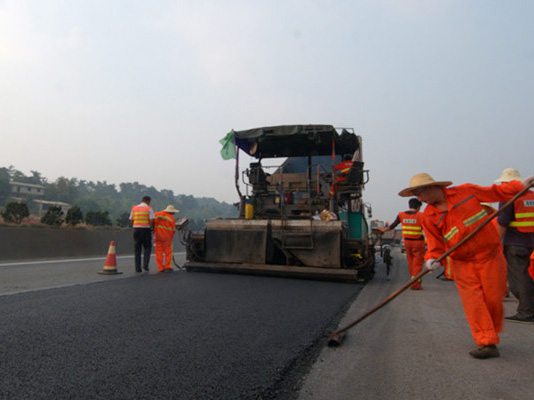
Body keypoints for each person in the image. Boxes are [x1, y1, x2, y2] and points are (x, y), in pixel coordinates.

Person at [399, 172, 534, 359]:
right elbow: (435, 244)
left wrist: (520, 185)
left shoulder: (466, 191)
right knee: (474, 303)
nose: (418, 198)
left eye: (418, 193)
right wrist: (432, 258)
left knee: (493, 299)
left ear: (431, 188)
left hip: (490, 256)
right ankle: (487, 342)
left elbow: (495, 192)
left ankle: (490, 331)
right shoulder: (429, 216)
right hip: (463, 263)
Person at [494, 168, 534, 324]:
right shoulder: (531, 196)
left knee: (518, 278)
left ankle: (526, 311)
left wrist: (495, 243)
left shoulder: (509, 196)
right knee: (526, 275)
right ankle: (529, 307)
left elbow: (503, 222)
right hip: (530, 242)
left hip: (515, 243)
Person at [379, 198, 425, 290]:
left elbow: (392, 226)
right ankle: (416, 284)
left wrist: (383, 229)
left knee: (411, 262)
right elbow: (428, 228)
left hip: (407, 242)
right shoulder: (421, 215)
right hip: (418, 242)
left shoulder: (401, 215)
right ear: (418, 207)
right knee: (418, 263)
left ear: (409, 205)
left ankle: (413, 279)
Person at [129, 196, 155, 273]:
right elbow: (152, 220)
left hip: (136, 230)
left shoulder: (134, 208)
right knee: (147, 247)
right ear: (148, 201)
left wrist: (136, 225)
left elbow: (131, 219)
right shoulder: (149, 208)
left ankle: (138, 268)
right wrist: (151, 227)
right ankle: (145, 265)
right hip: (146, 230)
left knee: (137, 249)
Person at [154, 205, 180, 272]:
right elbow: (173, 230)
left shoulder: (157, 214)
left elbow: (153, 222)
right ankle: (168, 266)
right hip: (167, 238)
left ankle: (160, 267)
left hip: (158, 236)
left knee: (159, 252)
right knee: (168, 253)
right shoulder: (171, 218)